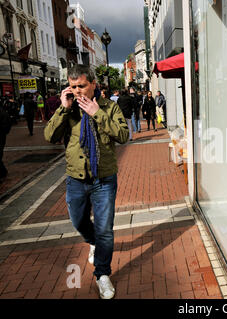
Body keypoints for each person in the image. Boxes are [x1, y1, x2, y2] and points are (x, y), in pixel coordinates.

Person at [44, 64, 129, 299]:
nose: (77, 90)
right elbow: (49, 136)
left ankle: (102, 274)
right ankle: (93, 242)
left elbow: (123, 135)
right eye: (72, 86)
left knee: (105, 230)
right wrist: (63, 109)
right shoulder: (68, 110)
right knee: (78, 220)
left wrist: (96, 113)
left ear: (93, 84)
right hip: (76, 179)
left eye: (81, 86)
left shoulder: (108, 107)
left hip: (104, 179)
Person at [0, 101, 12, 179]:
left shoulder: (2, 113)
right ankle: (3, 171)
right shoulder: (3, 112)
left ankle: (3, 172)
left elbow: (7, 125)